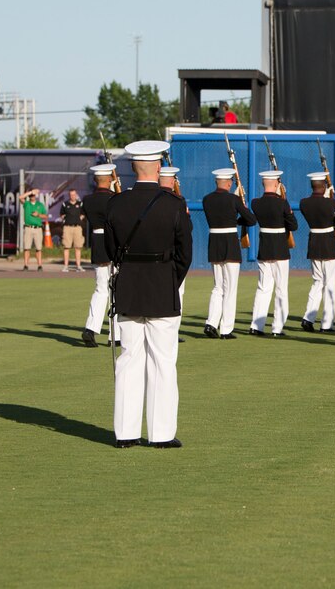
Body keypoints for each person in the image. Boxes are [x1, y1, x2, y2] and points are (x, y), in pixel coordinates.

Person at [104, 140, 192, 448]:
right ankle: (161, 434)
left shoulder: (116, 203)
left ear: (131, 167)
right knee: (163, 362)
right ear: (158, 167)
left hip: (129, 287)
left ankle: (125, 433)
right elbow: (185, 254)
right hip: (161, 287)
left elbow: (110, 250)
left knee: (129, 359)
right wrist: (169, 278)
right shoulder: (173, 204)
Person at [202, 168, 258, 340]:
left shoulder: (207, 199)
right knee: (230, 288)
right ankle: (226, 329)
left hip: (214, 243)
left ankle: (211, 323)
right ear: (228, 183)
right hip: (230, 244)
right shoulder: (233, 199)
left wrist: (235, 203)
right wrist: (239, 203)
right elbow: (251, 219)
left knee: (218, 287)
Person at [299, 172, 335, 333]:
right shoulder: (331, 202)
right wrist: (331, 205)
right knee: (329, 284)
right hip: (329, 245)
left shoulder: (304, 203)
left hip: (314, 244)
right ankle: (327, 323)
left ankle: (308, 318)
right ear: (324, 186)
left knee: (317, 282)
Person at [248, 170, 298, 336]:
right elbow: (293, 225)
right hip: (280, 250)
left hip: (264, 248)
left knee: (263, 288)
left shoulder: (255, 203)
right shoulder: (282, 203)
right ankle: (277, 327)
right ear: (277, 184)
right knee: (281, 289)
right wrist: (284, 199)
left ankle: (256, 326)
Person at [82, 164, 118, 347]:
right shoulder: (114, 199)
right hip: (113, 243)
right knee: (117, 290)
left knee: (100, 289)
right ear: (110, 179)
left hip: (97, 243)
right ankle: (116, 334)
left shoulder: (88, 200)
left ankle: (91, 328)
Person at [160, 166, 190, 344]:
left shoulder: (152, 200)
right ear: (172, 181)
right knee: (177, 294)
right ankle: (172, 331)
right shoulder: (178, 201)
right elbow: (187, 230)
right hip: (173, 256)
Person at [19, 188, 46, 271]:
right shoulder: (27, 204)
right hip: (28, 228)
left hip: (37, 228)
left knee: (38, 248)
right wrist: (30, 192)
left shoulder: (40, 205)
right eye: (31, 195)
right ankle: (26, 265)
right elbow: (20, 198)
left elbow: (45, 216)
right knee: (27, 248)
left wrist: (38, 215)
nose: (32, 196)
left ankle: (40, 265)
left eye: (33, 195)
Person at [59, 189, 86, 272]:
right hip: (67, 228)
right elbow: (61, 214)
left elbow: (83, 213)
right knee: (66, 247)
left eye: (74, 195)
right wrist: (64, 219)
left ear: (76, 195)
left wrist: (80, 218)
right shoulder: (65, 204)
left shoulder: (80, 204)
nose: (72, 196)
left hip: (77, 227)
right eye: (71, 195)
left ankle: (78, 266)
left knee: (78, 247)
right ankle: (66, 266)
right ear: (69, 195)